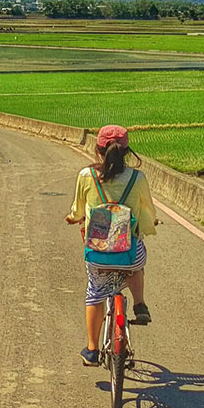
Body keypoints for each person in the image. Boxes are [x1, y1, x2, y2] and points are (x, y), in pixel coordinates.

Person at [65, 125, 158, 367]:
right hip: (127, 253)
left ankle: (92, 350)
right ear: (127, 151)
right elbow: (147, 212)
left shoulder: (87, 175)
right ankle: (139, 304)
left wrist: (74, 217)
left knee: (95, 292)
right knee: (137, 263)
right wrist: (149, 225)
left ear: (98, 151)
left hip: (97, 254)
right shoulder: (137, 178)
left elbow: (77, 208)